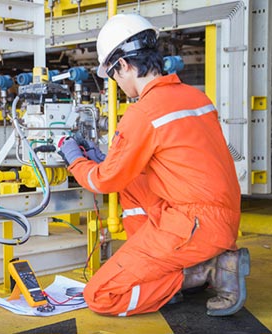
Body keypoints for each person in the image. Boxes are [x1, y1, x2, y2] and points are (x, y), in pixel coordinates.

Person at [58, 13, 250, 317]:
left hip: (195, 225)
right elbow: (169, 162)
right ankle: (175, 265)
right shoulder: (195, 97)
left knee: (101, 295)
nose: (117, 83)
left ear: (123, 65)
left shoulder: (143, 112)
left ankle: (206, 270)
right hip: (222, 218)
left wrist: (74, 159)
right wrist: (105, 158)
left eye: (113, 75)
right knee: (132, 183)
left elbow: (103, 183)